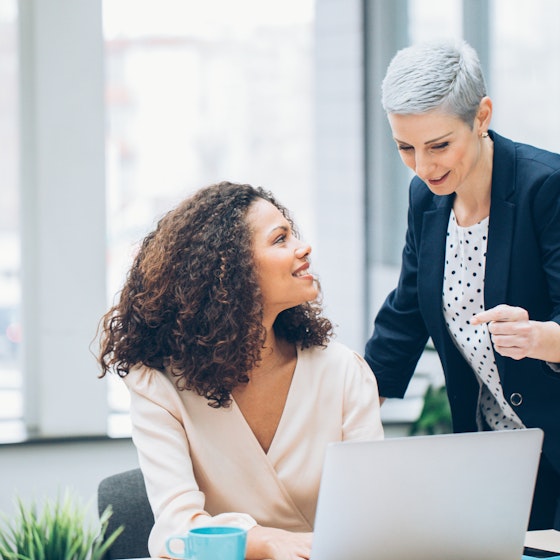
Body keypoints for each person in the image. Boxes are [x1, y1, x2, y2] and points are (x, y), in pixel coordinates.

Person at [98, 181, 384, 559]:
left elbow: (373, 519)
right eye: (280, 239)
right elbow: (175, 533)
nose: (303, 248)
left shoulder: (344, 371)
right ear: (230, 271)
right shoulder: (159, 384)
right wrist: (263, 542)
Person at [364, 39, 560, 530]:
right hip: (501, 455)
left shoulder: (546, 187)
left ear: (481, 116)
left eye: (438, 145)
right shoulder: (426, 200)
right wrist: (350, 405)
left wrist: (540, 338)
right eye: (405, 148)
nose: (423, 167)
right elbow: (406, 313)